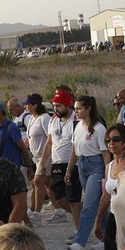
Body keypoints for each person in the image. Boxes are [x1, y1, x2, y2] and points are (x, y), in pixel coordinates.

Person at [67, 96, 109, 250]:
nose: (76, 111)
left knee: (89, 206)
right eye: (76, 108)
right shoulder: (77, 126)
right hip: (81, 165)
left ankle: (80, 241)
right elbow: (73, 150)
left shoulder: (99, 128)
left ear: (88, 109)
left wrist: (107, 176)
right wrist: (69, 170)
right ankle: (106, 237)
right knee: (98, 204)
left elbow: (105, 154)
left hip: (96, 166)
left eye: (79, 108)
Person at [41, 90, 79, 225]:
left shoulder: (76, 119)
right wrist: (43, 161)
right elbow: (49, 141)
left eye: (59, 106)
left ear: (67, 105)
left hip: (71, 163)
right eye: (54, 106)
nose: (55, 109)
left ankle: (79, 227)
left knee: (73, 198)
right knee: (59, 197)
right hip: (57, 163)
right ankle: (83, 216)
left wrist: (70, 167)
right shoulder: (53, 119)